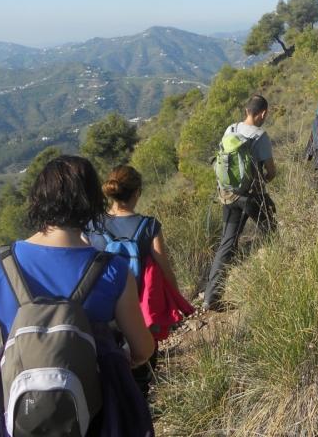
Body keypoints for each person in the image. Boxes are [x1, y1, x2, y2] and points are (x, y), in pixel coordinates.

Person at [0, 155, 154, 437]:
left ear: (38, 199)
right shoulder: (114, 270)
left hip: (15, 417)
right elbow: (143, 348)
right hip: (91, 419)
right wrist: (121, 357)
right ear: (92, 202)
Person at [86, 164, 188, 398]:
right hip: (139, 312)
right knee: (141, 371)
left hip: (102, 313)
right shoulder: (149, 226)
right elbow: (165, 267)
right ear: (137, 193)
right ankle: (139, 406)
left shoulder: (93, 226)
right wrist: (177, 298)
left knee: (106, 374)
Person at [204, 94, 277, 311]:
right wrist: (263, 179)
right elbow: (271, 171)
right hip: (252, 196)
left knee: (227, 243)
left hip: (228, 195)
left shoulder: (231, 129)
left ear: (246, 111)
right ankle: (277, 277)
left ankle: (211, 296)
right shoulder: (260, 136)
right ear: (262, 114)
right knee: (271, 231)